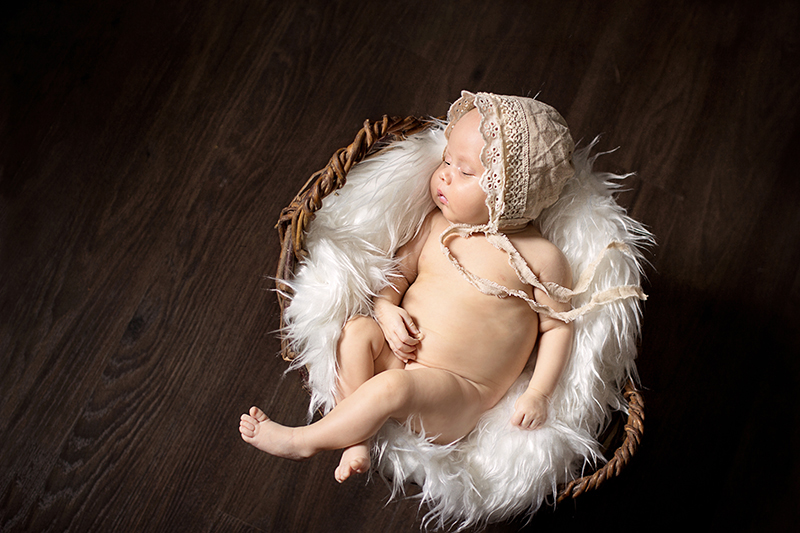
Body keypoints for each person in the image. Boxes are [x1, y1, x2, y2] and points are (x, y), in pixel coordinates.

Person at [240, 92, 633, 483]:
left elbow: (557, 327)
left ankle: (304, 441)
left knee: (394, 387)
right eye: (446, 160)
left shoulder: (541, 257)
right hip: (399, 356)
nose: (445, 174)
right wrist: (386, 309)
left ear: (513, 195)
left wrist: (539, 393)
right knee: (355, 332)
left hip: (459, 394)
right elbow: (398, 273)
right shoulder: (437, 225)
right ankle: (356, 439)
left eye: (465, 172)